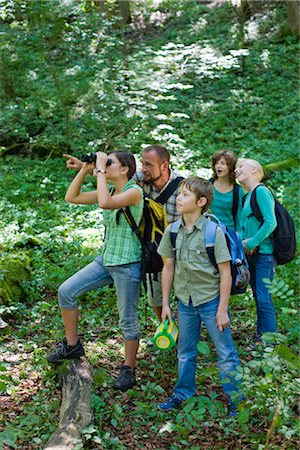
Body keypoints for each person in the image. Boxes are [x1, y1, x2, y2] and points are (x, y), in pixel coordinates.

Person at [47, 151, 144, 391]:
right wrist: (85, 168)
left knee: (127, 319)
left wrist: (98, 169)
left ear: (124, 169)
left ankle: (129, 369)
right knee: (66, 291)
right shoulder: (109, 190)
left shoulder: (134, 192)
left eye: (110, 162)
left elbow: (104, 204)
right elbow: (72, 197)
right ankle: (72, 345)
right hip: (106, 260)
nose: (105, 165)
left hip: (127, 263)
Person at [63, 145, 183, 322]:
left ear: (164, 165)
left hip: (179, 247)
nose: (143, 169)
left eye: (149, 165)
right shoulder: (142, 179)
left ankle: (189, 333)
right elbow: (116, 176)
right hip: (154, 249)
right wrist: (86, 167)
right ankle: (166, 331)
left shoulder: (182, 187)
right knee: (155, 297)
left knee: (185, 294)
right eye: (142, 164)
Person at [157, 177, 241, 416]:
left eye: (184, 194)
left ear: (201, 201)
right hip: (185, 302)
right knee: (185, 352)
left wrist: (222, 309)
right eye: (179, 193)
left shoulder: (214, 231)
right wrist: (165, 303)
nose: (178, 198)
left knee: (225, 353)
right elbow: (168, 268)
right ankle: (183, 393)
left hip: (212, 302)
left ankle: (237, 400)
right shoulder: (172, 231)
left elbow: (225, 273)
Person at [235, 158, 277, 350]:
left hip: (264, 256)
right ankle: (261, 337)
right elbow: (245, 226)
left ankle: (269, 343)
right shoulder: (247, 196)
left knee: (263, 297)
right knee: (258, 297)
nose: (236, 170)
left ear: (254, 170)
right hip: (251, 255)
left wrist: (251, 242)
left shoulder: (261, 191)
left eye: (240, 166)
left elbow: (270, 222)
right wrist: (241, 242)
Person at [209, 150, 244, 231]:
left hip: (228, 233)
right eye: (216, 163)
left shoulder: (237, 191)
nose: (218, 166)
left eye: (223, 163)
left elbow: (240, 217)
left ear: (230, 167)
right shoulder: (207, 185)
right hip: (207, 232)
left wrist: (238, 235)